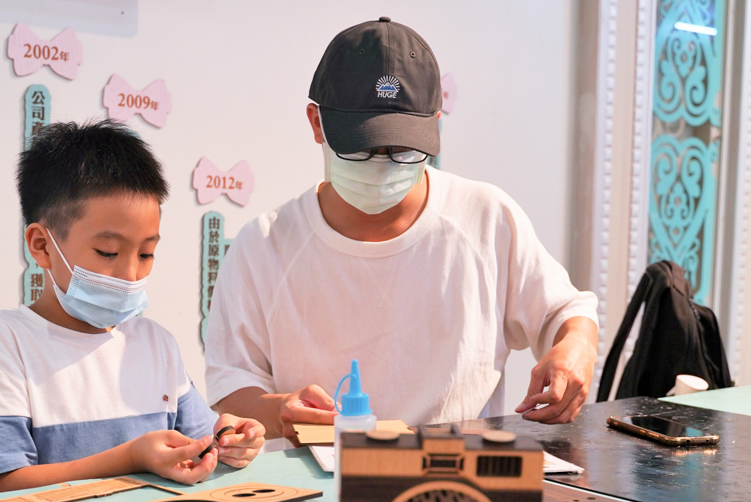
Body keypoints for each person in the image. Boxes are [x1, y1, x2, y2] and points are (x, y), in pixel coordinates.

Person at [204, 18, 599, 439]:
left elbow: (566, 312)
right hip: (313, 485)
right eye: (362, 146)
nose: (382, 164)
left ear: (434, 123)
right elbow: (232, 383)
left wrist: (574, 349)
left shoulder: (485, 218)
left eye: (403, 148)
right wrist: (278, 411)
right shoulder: (263, 247)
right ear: (316, 123)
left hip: (454, 481)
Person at [0, 121, 264, 494]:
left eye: (147, 253)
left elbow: (201, 444)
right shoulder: (6, 341)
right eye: (108, 253)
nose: (130, 274)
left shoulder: (156, 343)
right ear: (41, 245)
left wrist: (228, 440)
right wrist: (129, 459)